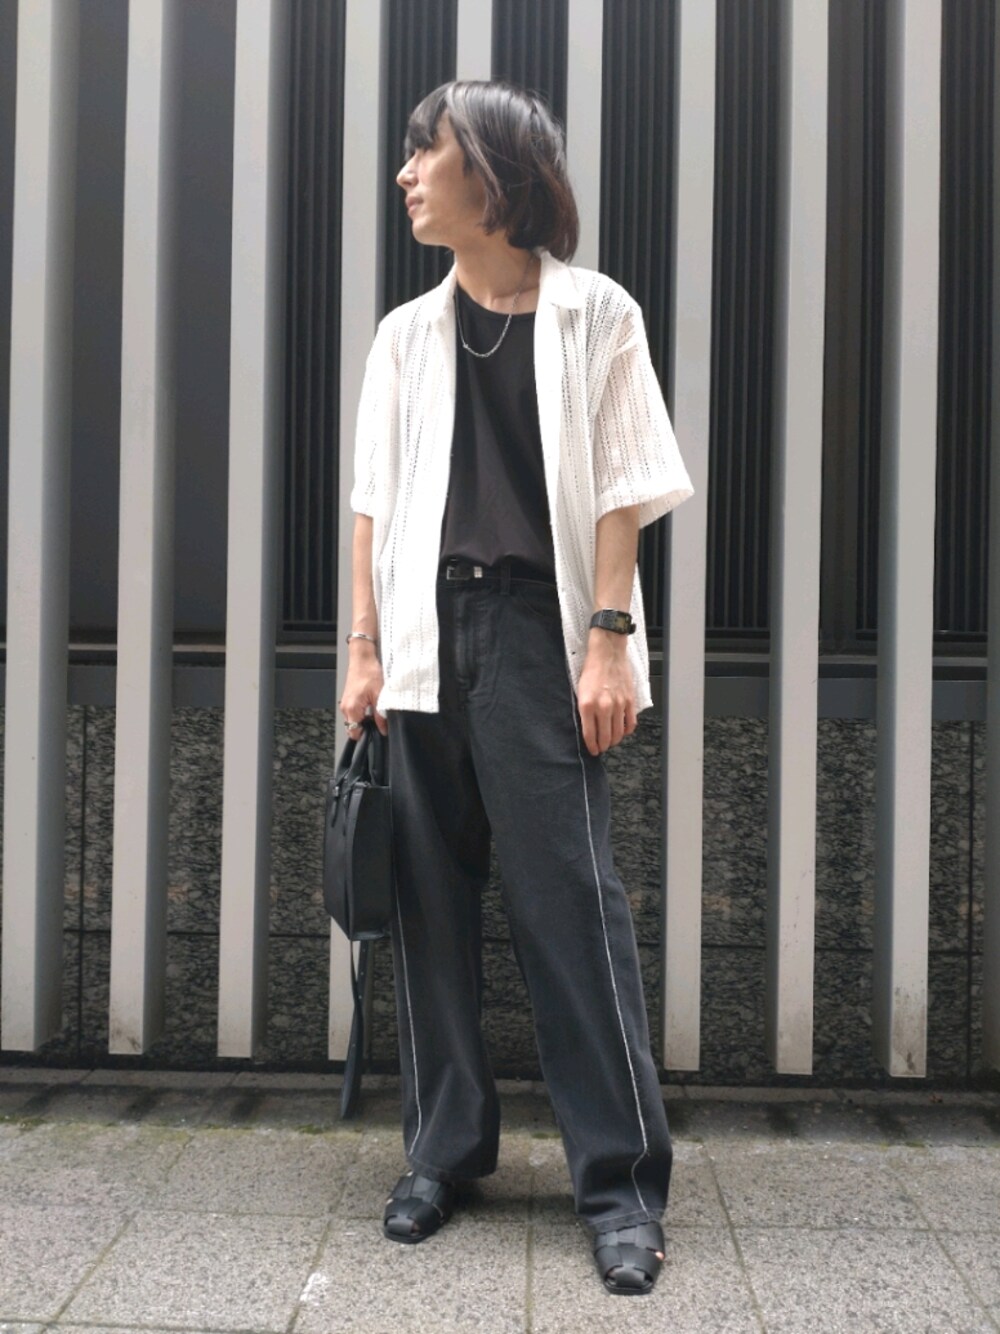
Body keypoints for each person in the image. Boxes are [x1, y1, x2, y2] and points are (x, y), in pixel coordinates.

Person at [339, 79, 694, 1296]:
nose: (405, 174)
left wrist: (608, 639)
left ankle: (621, 1185)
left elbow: (626, 488)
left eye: (423, 152)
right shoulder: (405, 333)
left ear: (490, 171)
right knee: (429, 904)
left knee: (569, 905)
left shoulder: (597, 313)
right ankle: (443, 1151)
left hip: (540, 632)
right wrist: (363, 649)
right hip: (423, 630)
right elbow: (371, 503)